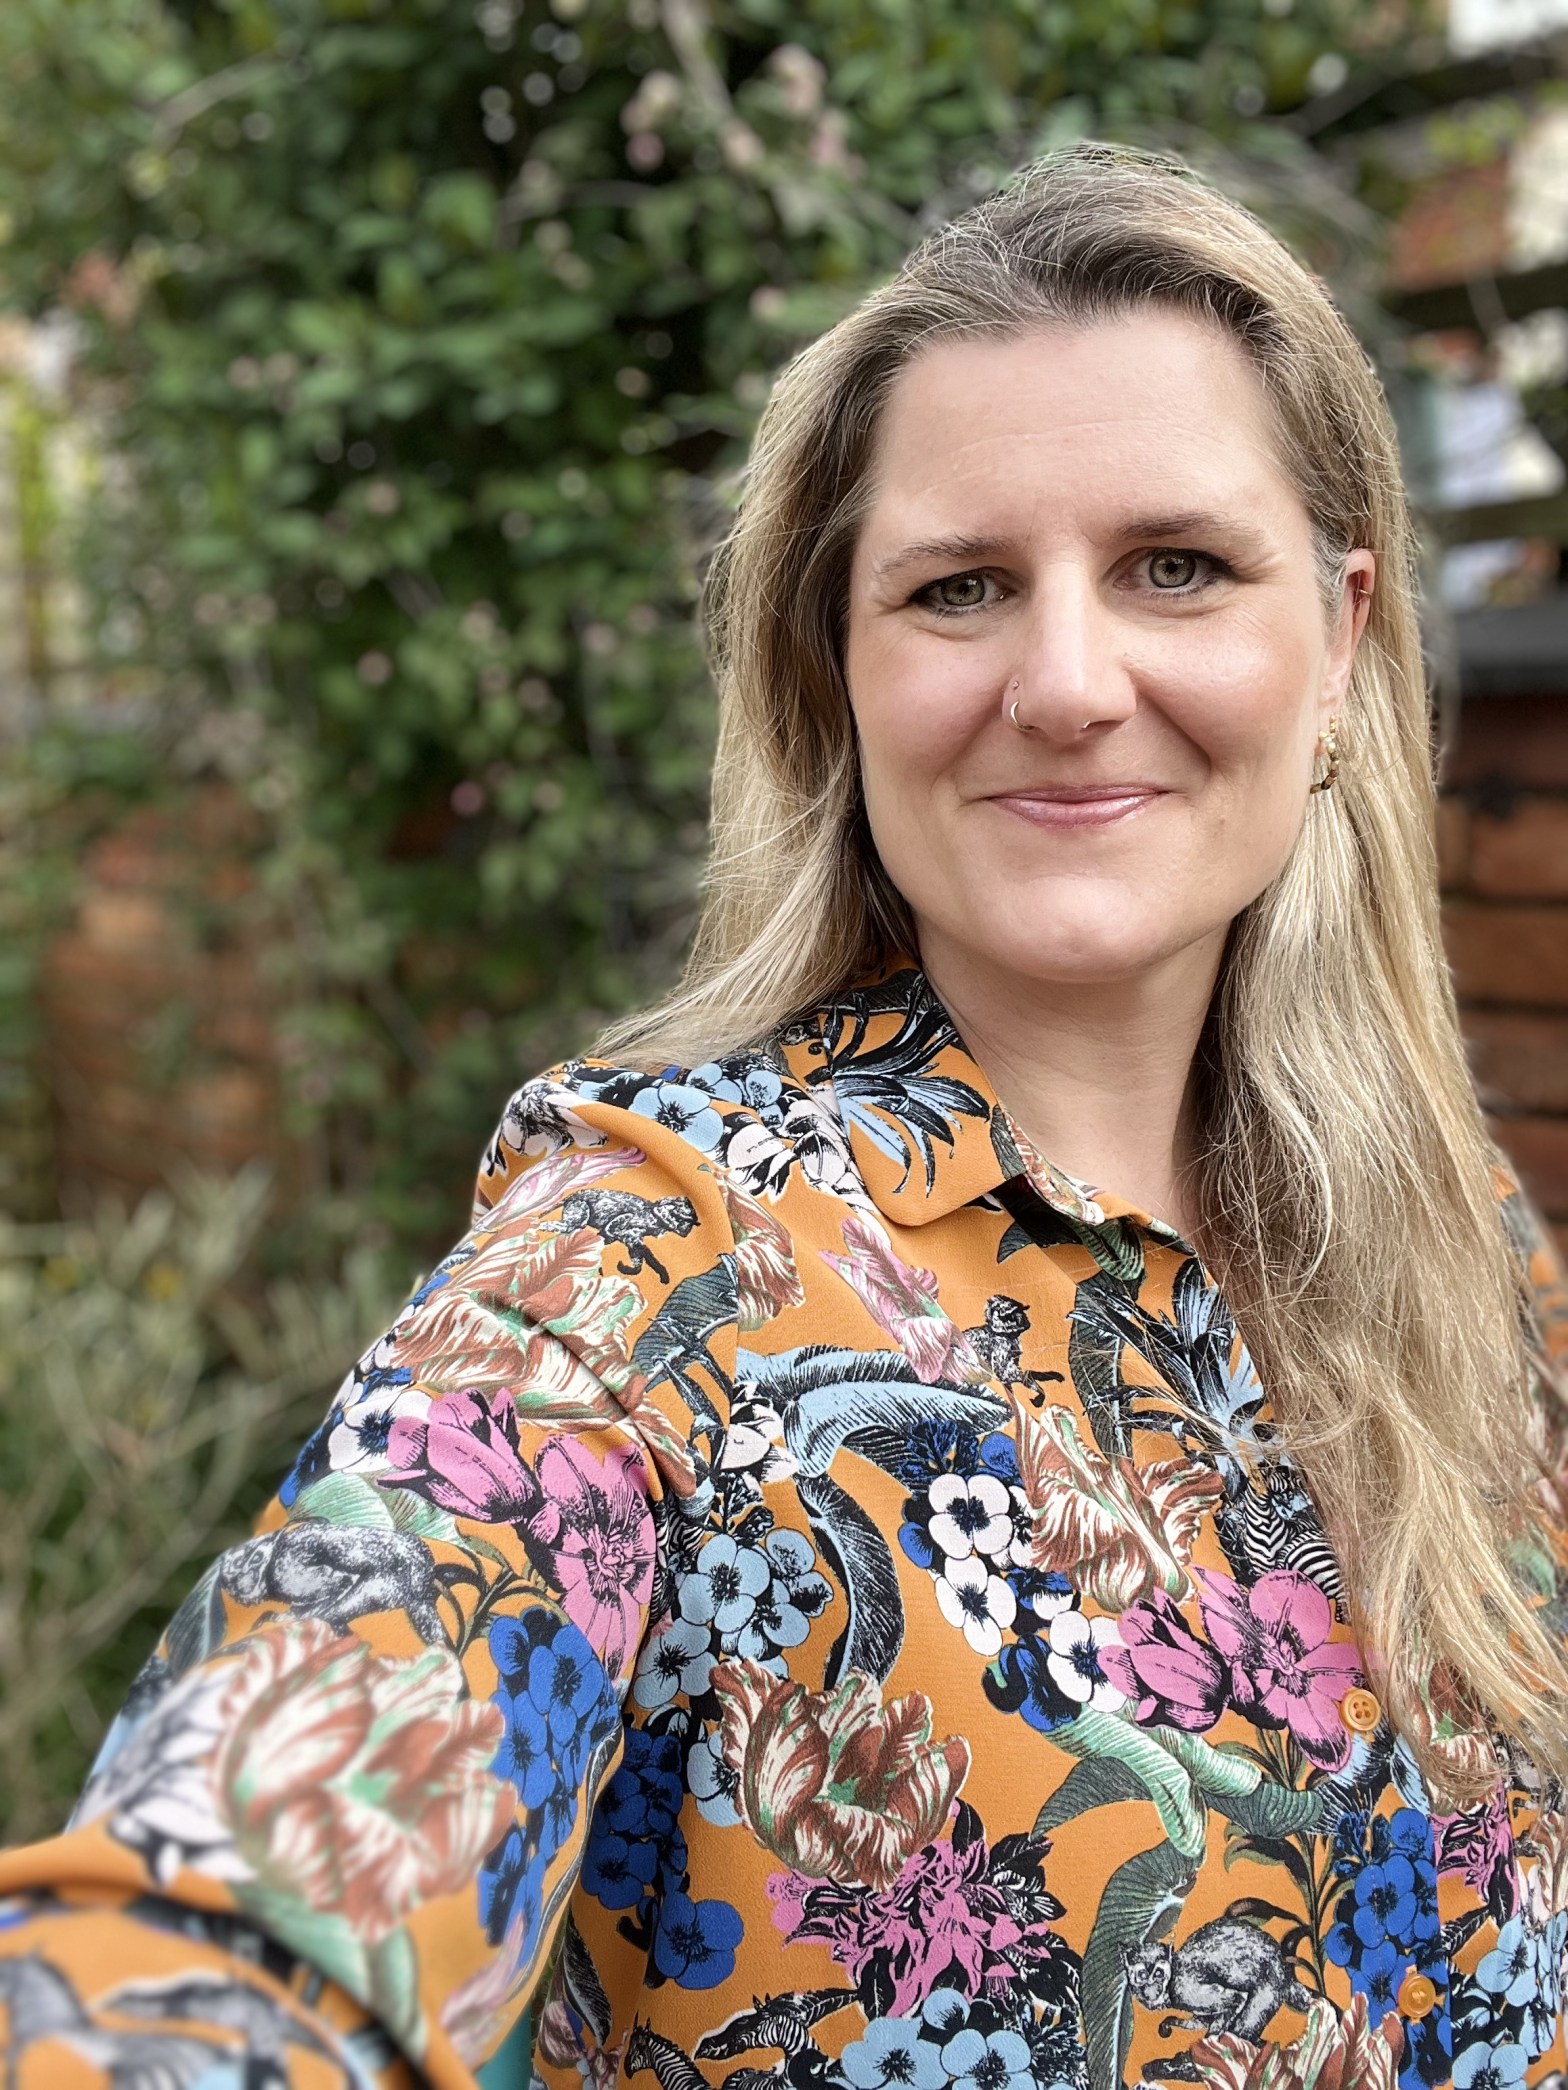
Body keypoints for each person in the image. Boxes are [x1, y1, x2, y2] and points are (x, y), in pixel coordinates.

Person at [3, 141, 1567, 2090]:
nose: (1068, 681)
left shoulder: (1463, 1242)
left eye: (1175, 565)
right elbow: (234, 1904)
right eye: (958, 588)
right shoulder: (658, 1258)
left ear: (1335, 640)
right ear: (838, 675)